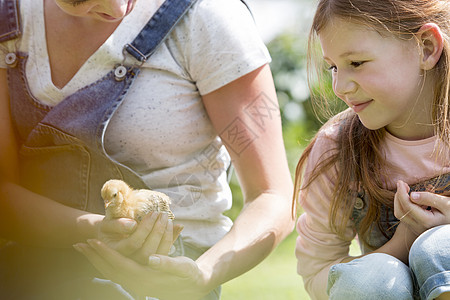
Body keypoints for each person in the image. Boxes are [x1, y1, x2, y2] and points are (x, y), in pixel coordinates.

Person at [0, 0, 294, 299]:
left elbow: (272, 196)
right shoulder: (9, 20)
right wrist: (98, 230)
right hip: (33, 270)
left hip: (171, 272)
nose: (116, 11)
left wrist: (203, 274)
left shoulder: (209, 17)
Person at [293, 0, 450, 299]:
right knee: (370, 279)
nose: (339, 86)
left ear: (426, 48)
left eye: (356, 63)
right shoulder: (336, 151)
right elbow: (318, 271)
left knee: (441, 248)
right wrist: (400, 246)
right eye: (333, 67)